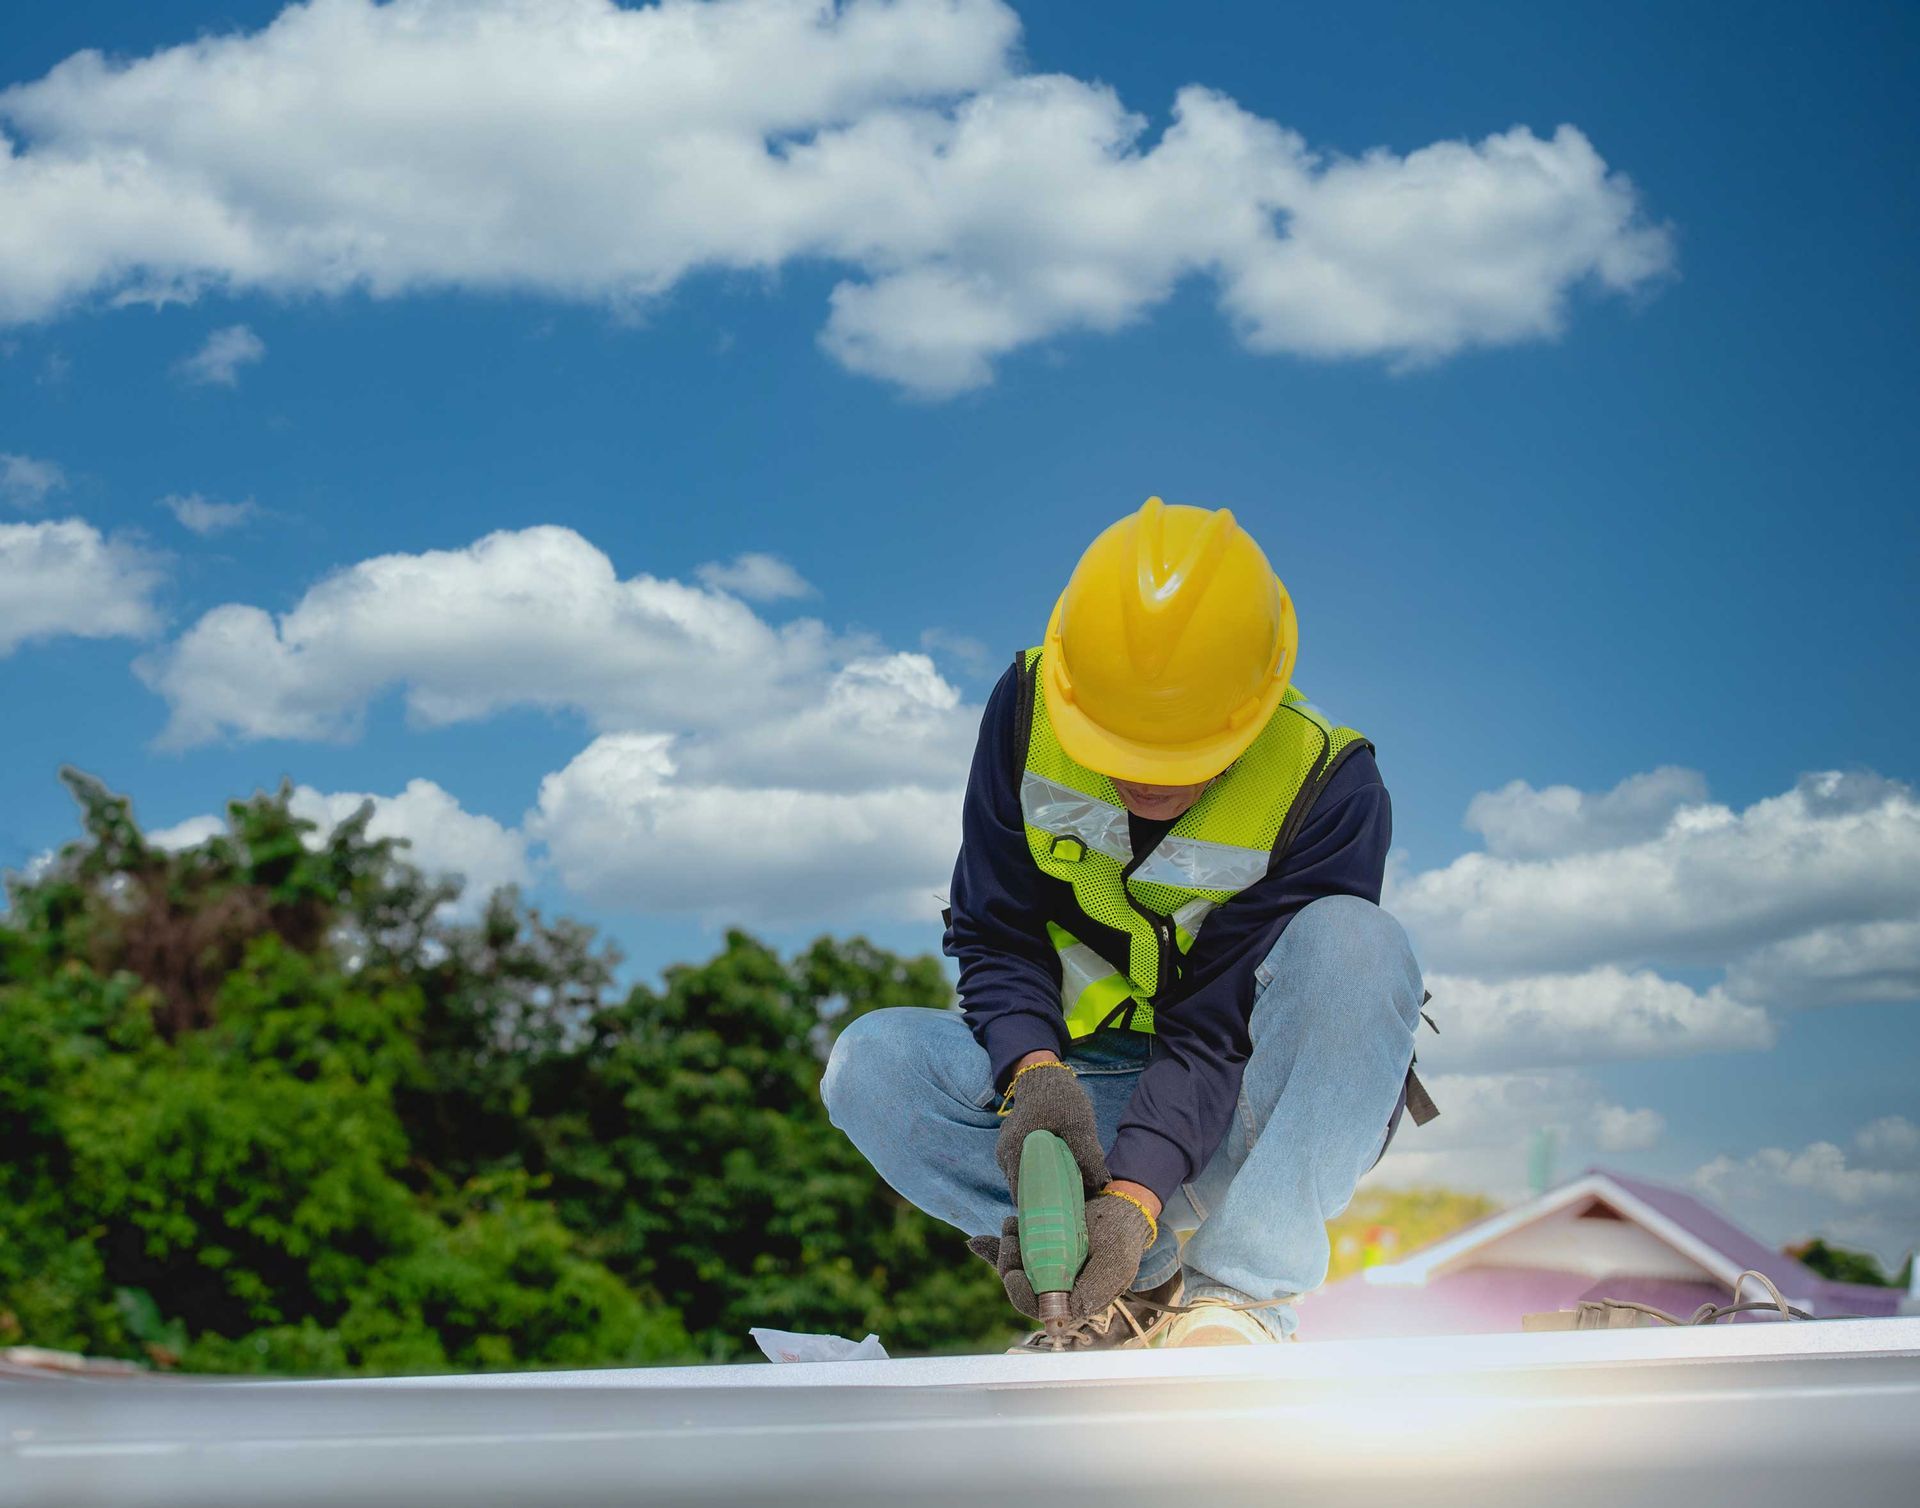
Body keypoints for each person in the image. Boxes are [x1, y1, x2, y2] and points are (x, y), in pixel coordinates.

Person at [824, 499, 1434, 1349]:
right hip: (1086, 1093)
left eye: (1177, 755)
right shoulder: (1028, 707)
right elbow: (995, 932)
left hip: (1249, 1111)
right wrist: (1033, 1077)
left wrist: (1138, 1195)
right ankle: (1121, 1287)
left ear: (1251, 708)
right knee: (870, 1065)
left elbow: (1217, 1032)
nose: (1143, 782)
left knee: (1360, 949)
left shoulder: (1328, 786)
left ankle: (1238, 1302)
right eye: (1119, 748)